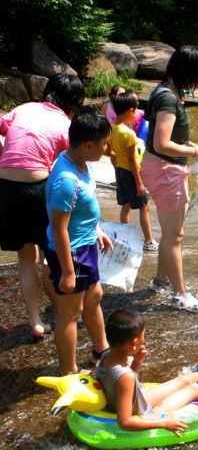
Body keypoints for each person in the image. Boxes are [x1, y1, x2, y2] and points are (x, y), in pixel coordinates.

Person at [0, 73, 84, 339]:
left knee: (26, 258)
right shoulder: (64, 123)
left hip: (5, 187)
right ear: (73, 101)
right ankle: (62, 313)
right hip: (36, 188)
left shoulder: (24, 108)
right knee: (51, 252)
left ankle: (35, 322)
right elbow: (73, 163)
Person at [44, 106, 113, 374]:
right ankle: (69, 372)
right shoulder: (66, 180)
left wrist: (95, 229)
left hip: (85, 244)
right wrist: (68, 273)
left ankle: (102, 349)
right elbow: (59, 228)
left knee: (95, 295)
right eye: (104, 144)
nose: (106, 149)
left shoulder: (80, 162)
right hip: (70, 252)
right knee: (69, 313)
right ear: (87, 145)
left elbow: (82, 209)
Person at [140, 46, 198, 313]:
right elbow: (162, 143)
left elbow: (163, 137)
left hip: (160, 167)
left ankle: (160, 281)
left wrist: (189, 144)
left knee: (172, 234)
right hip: (166, 170)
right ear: (188, 71)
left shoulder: (162, 90)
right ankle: (181, 295)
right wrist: (193, 151)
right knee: (174, 236)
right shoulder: (169, 99)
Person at [108, 92, 157, 251]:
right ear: (130, 111)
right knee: (144, 207)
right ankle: (149, 241)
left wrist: (117, 167)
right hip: (131, 173)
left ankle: (124, 237)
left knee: (126, 205)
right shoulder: (128, 134)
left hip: (120, 171)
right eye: (136, 111)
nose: (136, 115)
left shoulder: (112, 129)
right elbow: (132, 160)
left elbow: (110, 153)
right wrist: (139, 183)